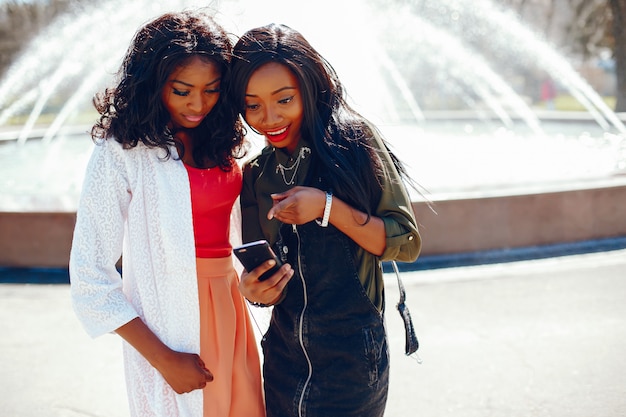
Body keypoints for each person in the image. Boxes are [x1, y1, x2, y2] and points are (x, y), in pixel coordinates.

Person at [69, 10, 265, 417]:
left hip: (231, 309)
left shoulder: (219, 138)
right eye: (182, 91)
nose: (198, 104)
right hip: (170, 323)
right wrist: (163, 358)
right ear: (153, 83)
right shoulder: (121, 151)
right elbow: (90, 274)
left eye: (212, 90)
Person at [230, 24, 422, 417]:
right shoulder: (255, 175)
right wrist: (254, 289)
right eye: (253, 106)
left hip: (352, 365)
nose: (269, 118)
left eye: (284, 99)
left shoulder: (353, 143)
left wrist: (326, 207)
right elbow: (261, 277)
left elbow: (405, 241)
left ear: (309, 87)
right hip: (283, 361)